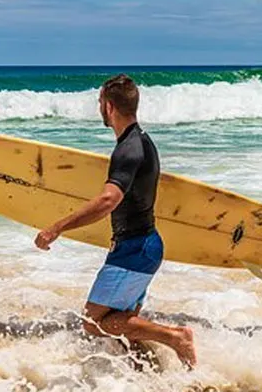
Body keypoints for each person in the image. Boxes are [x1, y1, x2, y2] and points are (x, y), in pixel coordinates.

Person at [34, 74, 197, 369]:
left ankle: (176, 337)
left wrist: (56, 227)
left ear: (109, 107)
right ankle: (156, 380)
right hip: (143, 246)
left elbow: (109, 200)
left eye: (99, 102)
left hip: (134, 250)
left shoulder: (128, 149)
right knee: (126, 331)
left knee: (93, 323)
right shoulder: (143, 142)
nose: (99, 107)